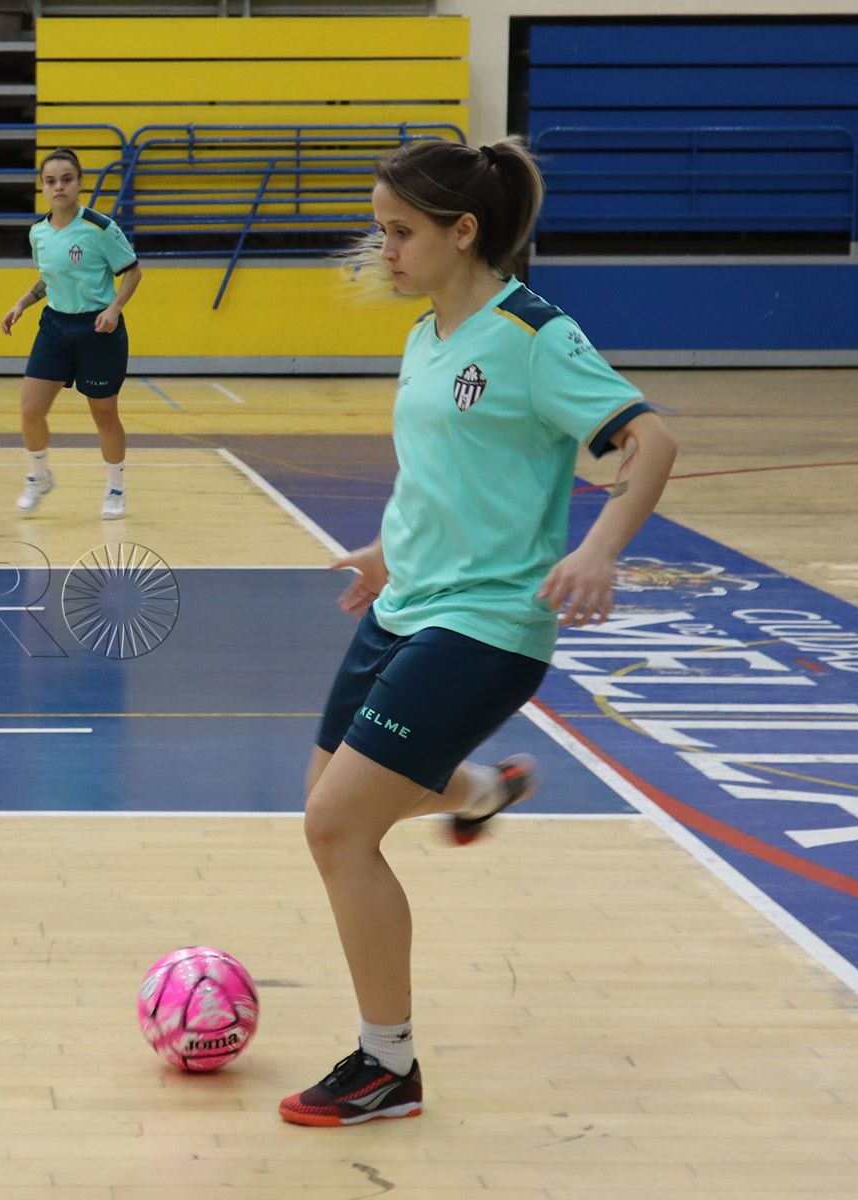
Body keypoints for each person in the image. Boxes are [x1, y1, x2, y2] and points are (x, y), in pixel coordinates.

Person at [279, 137, 677, 1126]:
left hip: (490, 622)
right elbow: (444, 473)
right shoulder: (426, 334)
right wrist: (383, 552)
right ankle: (481, 787)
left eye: (402, 231)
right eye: (381, 229)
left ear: (466, 232)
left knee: (338, 825)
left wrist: (599, 553)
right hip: (406, 601)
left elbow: (652, 439)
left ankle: (387, 1067)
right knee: (328, 809)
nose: (386, 249)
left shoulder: (532, 334)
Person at [0, 148, 143, 520]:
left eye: (66, 179)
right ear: (42, 188)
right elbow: (50, 277)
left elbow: (133, 272)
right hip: (55, 327)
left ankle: (116, 488)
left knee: (104, 415)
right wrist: (21, 303)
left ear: (79, 184)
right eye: (50, 181)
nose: (58, 186)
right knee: (31, 410)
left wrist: (114, 308)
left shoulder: (100, 228)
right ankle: (39, 476)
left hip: (98, 329)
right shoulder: (38, 233)